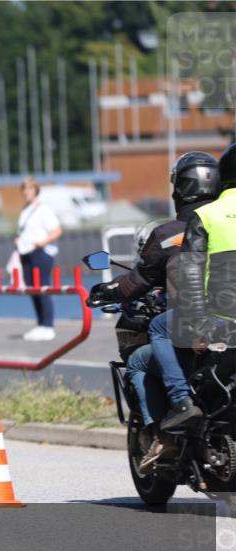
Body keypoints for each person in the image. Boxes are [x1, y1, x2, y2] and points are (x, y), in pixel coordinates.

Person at [89, 151, 220, 472]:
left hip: (196, 326)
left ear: (180, 189)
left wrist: (108, 290)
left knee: (138, 360)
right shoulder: (224, 222)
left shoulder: (170, 234)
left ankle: (173, 425)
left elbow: (139, 281)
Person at [151, 144, 234, 436]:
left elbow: (191, 274)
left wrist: (198, 327)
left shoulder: (208, 215)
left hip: (223, 322)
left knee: (159, 328)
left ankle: (181, 402)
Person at [14, 176, 62, 341]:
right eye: (24, 189)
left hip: (40, 252)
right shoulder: (24, 209)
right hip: (26, 252)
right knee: (32, 288)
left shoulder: (43, 209)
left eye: (30, 188)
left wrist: (42, 242)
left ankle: (48, 325)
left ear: (35, 190)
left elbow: (56, 230)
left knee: (42, 287)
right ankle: (41, 323)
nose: (27, 192)